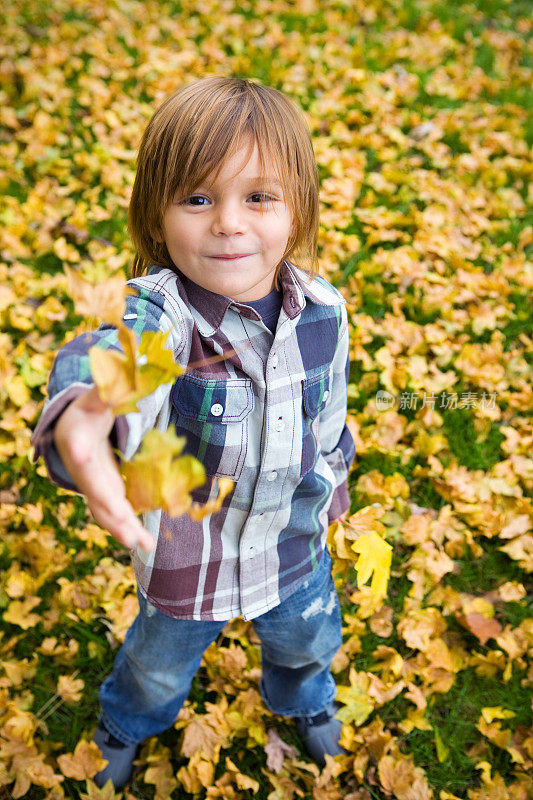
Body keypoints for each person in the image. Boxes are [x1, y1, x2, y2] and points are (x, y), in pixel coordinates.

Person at [31, 76, 356, 789]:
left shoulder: (325, 313)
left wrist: (333, 482)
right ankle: (125, 722)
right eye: (199, 198)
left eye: (258, 198)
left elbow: (328, 415)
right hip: (187, 560)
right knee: (155, 664)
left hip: (293, 546)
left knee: (307, 641)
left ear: (297, 211)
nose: (229, 223)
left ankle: (302, 701)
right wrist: (92, 406)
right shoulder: (166, 313)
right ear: (155, 218)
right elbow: (123, 348)